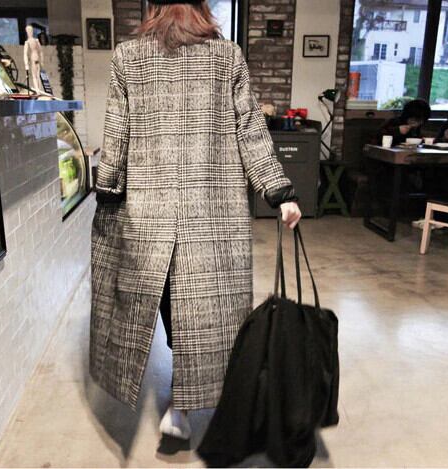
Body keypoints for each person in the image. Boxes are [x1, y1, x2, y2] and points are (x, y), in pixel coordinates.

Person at [89, 0, 301, 442]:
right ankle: (185, 405)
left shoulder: (128, 56)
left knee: (166, 304)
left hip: (148, 210)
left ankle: (181, 405)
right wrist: (278, 190)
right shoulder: (227, 56)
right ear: (203, 6)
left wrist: (107, 185)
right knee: (205, 313)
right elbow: (250, 129)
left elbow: (116, 132)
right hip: (213, 210)